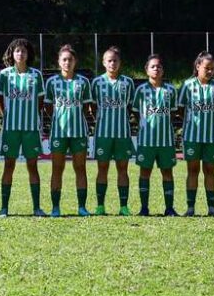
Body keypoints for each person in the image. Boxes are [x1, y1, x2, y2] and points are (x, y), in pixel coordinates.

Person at [0, 38, 45, 216]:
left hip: (31, 128)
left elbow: (40, 101)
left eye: (24, 51)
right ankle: (4, 208)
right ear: (12, 53)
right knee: (9, 166)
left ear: (28, 54)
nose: (20, 53)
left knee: (32, 166)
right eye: (17, 51)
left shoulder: (36, 75)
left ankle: (37, 208)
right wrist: (6, 115)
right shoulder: (4, 74)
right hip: (11, 129)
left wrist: (31, 115)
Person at [44, 44, 92, 217]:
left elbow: (87, 107)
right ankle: (55, 207)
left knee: (80, 168)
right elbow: (47, 107)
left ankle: (82, 207)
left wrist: (74, 118)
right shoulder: (51, 82)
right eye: (64, 59)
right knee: (57, 169)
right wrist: (60, 119)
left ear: (75, 62)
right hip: (58, 132)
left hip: (79, 132)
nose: (67, 62)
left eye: (70, 59)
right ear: (58, 62)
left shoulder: (83, 82)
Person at [177, 52, 214, 216]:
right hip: (192, 137)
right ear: (198, 66)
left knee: (209, 171)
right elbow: (180, 109)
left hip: (212, 137)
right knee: (192, 170)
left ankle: (212, 208)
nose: (210, 71)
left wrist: (210, 119)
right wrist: (192, 121)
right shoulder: (187, 85)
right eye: (207, 68)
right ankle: (190, 208)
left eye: (212, 68)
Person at [90, 47, 136, 216]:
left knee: (122, 169)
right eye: (109, 60)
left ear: (120, 63)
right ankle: (100, 206)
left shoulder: (128, 83)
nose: (112, 63)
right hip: (103, 134)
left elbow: (131, 107)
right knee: (102, 169)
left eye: (115, 60)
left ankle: (123, 206)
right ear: (103, 63)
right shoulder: (96, 83)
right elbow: (92, 107)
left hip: (122, 134)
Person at [132, 54, 179, 216]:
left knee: (167, 172)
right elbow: (136, 113)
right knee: (145, 172)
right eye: (153, 66)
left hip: (166, 141)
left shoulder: (170, 90)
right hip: (146, 140)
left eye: (159, 66)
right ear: (146, 70)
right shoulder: (141, 90)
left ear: (163, 70)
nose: (156, 69)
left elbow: (173, 113)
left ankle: (169, 208)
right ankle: (144, 208)